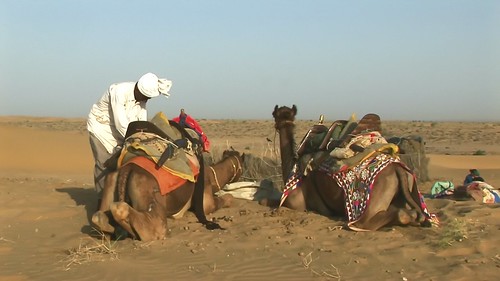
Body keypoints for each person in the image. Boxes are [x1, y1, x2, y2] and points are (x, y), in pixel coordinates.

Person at [87, 73, 172, 204]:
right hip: (102, 127)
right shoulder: (119, 91)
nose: (147, 99)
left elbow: (141, 121)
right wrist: (135, 139)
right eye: (146, 97)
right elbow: (120, 122)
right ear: (139, 90)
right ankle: (102, 201)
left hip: (122, 131)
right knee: (104, 163)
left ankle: (118, 195)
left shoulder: (141, 100)